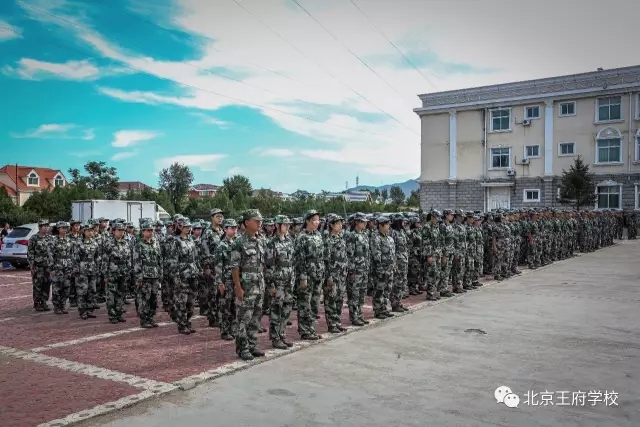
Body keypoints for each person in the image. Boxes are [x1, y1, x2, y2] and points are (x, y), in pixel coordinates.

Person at [230, 209, 266, 361]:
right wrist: (238, 287)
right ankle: (242, 348)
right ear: (246, 222)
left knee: (256, 318)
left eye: (260, 220)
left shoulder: (260, 240)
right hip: (246, 286)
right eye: (255, 220)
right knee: (244, 319)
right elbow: (234, 267)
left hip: (259, 285)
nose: (259, 222)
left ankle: (252, 344)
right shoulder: (239, 242)